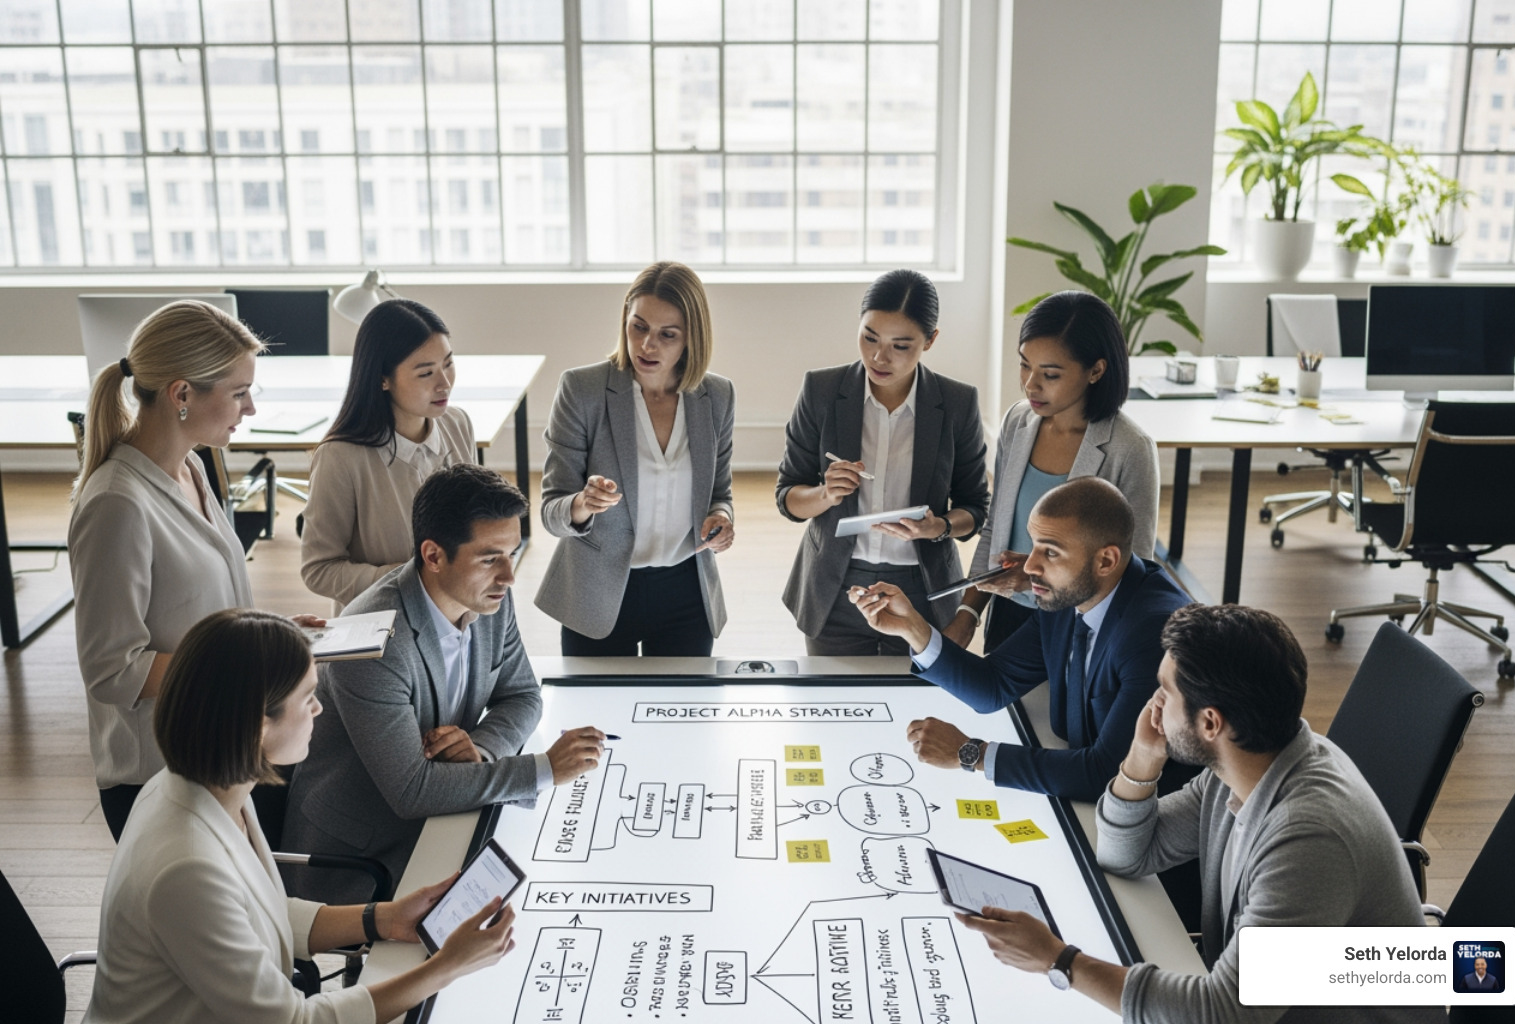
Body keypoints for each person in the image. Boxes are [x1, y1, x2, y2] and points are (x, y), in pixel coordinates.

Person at [954, 604, 1443, 1024]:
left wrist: (1059, 961)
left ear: (1211, 722)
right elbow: (1128, 854)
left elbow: (1222, 1013)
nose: (1153, 703)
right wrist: (1142, 759)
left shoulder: (1308, 836)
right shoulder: (1246, 763)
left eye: (1164, 691)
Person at [85, 608, 515, 1024]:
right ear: (258, 725)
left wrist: (385, 917)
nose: (318, 710)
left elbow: (260, 913)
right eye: (308, 698)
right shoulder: (187, 866)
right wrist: (447, 967)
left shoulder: (203, 786)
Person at [284, 464, 606, 902]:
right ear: (433, 556)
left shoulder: (490, 596)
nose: (509, 577)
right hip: (364, 857)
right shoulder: (375, 640)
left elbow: (523, 694)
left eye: (512, 554)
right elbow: (412, 791)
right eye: (490, 558)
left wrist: (482, 750)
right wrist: (544, 770)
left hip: (445, 819)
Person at [68, 299, 322, 841]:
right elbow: (113, 671)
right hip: (159, 776)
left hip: (221, 752)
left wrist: (270, 634)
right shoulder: (117, 503)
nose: (250, 408)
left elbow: (201, 607)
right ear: (182, 394)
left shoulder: (192, 468)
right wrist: (242, 660)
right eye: (238, 392)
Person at [850, 477, 1192, 803]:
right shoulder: (1067, 594)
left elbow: (1106, 772)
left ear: (1106, 560)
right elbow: (993, 685)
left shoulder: (1155, 633)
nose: (1029, 567)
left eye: (1051, 552)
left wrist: (971, 753)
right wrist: (912, 626)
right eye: (1034, 546)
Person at [777, 269, 989, 655]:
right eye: (869, 337)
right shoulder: (821, 391)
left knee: (917, 707)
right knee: (836, 707)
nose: (879, 356)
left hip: (922, 588)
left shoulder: (957, 403)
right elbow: (787, 497)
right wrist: (825, 494)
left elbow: (975, 508)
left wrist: (938, 527)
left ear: (930, 340)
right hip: (835, 588)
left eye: (901, 345)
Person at [536, 261, 736, 656]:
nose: (648, 345)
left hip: (686, 592)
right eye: (639, 326)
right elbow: (550, 510)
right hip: (599, 590)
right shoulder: (583, 389)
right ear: (625, 318)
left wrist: (722, 518)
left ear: (691, 338)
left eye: (667, 334)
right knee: (596, 717)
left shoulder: (717, 396)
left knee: (681, 715)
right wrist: (582, 504)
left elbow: (719, 492)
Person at [945, 290, 1159, 654]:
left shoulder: (1130, 448)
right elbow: (996, 526)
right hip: (1009, 614)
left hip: (1079, 623)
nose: (1031, 384)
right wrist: (968, 612)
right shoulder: (1017, 421)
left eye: (1051, 374)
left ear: (1096, 370)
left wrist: (1030, 580)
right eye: (1025, 364)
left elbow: (1133, 569)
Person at [301, 298, 476, 610]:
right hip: (381, 626)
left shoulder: (457, 424)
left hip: (457, 615)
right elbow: (319, 570)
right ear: (382, 378)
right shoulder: (340, 457)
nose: (444, 383)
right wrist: (412, 579)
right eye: (425, 373)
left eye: (448, 363)